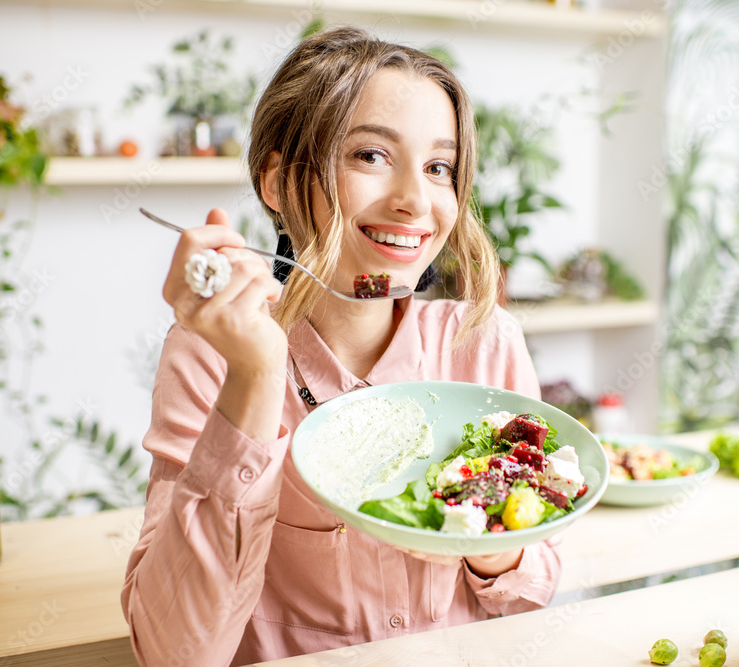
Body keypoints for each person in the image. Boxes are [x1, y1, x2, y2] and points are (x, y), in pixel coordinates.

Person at [121, 26, 561, 666]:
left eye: (439, 167)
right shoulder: (210, 355)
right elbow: (174, 654)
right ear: (276, 182)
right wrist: (255, 374)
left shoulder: (483, 344)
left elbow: (529, 592)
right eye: (371, 157)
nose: (415, 201)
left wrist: (485, 536)